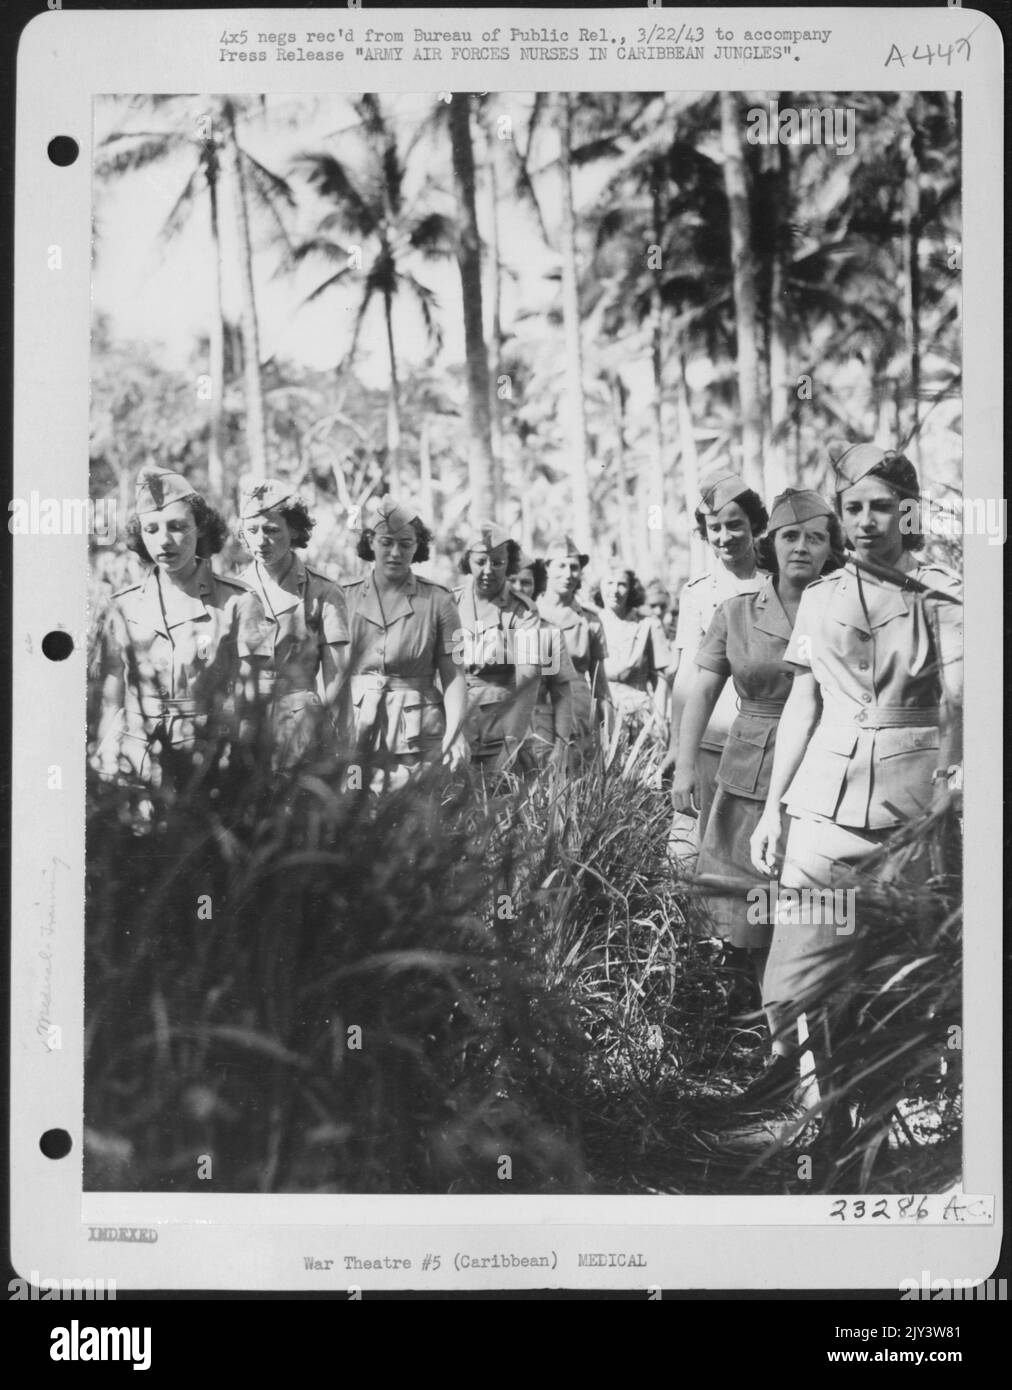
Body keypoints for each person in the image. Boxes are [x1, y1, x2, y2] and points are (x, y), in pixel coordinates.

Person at [749, 442, 962, 1127]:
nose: (866, 522)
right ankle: (821, 1113)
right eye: (853, 509)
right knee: (793, 981)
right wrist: (773, 811)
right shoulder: (820, 598)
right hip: (820, 808)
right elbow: (803, 703)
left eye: (880, 507)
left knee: (898, 975)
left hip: (911, 809)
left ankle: (878, 1119)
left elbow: (960, 702)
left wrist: (946, 795)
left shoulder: (943, 595)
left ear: (907, 512)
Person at [671, 490, 844, 1065]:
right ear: (771, 542)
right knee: (750, 913)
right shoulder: (737, 611)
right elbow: (699, 689)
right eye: (789, 536)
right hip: (746, 776)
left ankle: (812, 1049)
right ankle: (771, 1046)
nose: (800, 547)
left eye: (813, 537)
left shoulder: (844, 606)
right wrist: (682, 764)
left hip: (825, 775)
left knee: (810, 911)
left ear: (830, 548)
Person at [93, 466, 272, 789]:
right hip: (134, 758)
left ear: (200, 527)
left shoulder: (237, 602)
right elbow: (111, 699)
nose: (164, 541)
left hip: (206, 759)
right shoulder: (123, 606)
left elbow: (253, 703)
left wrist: (244, 772)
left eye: (177, 526)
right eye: (151, 529)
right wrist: (105, 765)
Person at [660, 471, 768, 835]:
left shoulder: (779, 583)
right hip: (712, 737)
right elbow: (687, 676)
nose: (725, 537)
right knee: (697, 841)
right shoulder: (698, 593)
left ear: (754, 524)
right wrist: (678, 746)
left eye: (735, 525)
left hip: (768, 739)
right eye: (715, 529)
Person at [342, 496, 469, 775]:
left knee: (417, 812)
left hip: (419, 737)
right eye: (386, 542)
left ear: (418, 547)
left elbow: (454, 674)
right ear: (370, 542)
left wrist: (456, 732)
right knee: (353, 806)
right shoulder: (344, 597)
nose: (395, 552)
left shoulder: (440, 600)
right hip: (356, 733)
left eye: (405, 544)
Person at [237, 479, 349, 770]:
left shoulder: (323, 592)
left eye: (272, 530)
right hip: (244, 725)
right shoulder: (231, 592)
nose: (260, 540)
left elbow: (337, 681)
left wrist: (343, 745)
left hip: (302, 727)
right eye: (252, 531)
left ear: (295, 530)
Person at [453, 522, 542, 772]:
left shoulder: (522, 611)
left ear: (509, 563)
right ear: (467, 561)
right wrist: (452, 734)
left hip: (504, 726)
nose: (488, 570)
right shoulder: (450, 603)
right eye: (480, 562)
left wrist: (512, 743)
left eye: (498, 562)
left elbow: (528, 679)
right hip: (459, 727)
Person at [537, 535, 611, 757]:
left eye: (574, 567)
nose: (568, 574)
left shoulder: (589, 620)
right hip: (538, 709)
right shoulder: (528, 614)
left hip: (578, 713)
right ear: (547, 568)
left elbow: (601, 686)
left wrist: (609, 734)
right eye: (561, 566)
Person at [509, 551, 577, 767]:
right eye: (512, 580)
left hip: (538, 733)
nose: (519, 588)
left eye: (526, 583)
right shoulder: (484, 627)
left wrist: (562, 744)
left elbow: (562, 692)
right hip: (493, 732)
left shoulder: (546, 632)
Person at [592, 566, 670, 731]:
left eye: (622, 584)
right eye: (609, 583)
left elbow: (661, 679)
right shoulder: (590, 624)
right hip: (600, 715)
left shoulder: (648, 625)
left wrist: (659, 718)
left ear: (631, 589)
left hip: (639, 713)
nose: (614, 590)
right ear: (599, 587)